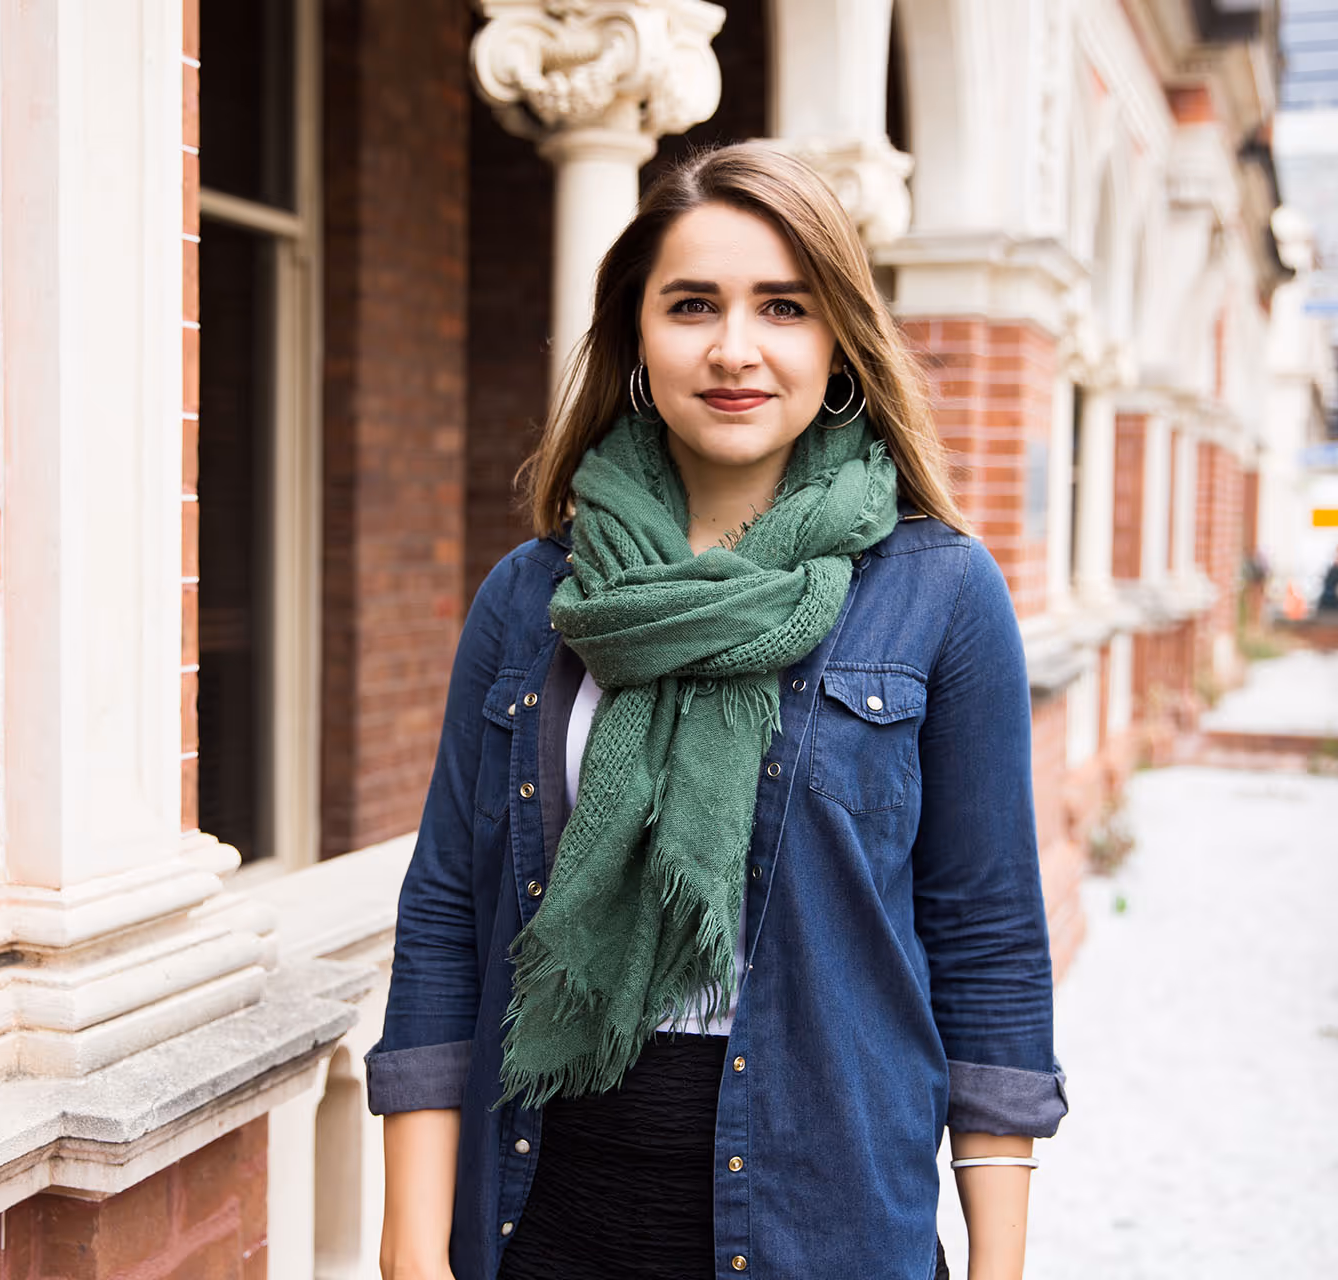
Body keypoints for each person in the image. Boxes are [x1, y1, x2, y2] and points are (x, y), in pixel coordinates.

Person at [367, 143, 1068, 1280]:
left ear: (839, 342)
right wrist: (411, 1240)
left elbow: (986, 937)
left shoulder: (940, 594)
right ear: (638, 338)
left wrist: (999, 1265)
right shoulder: (533, 597)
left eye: (783, 307)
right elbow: (449, 905)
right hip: (543, 1210)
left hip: (824, 1226)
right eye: (692, 305)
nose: (735, 347)